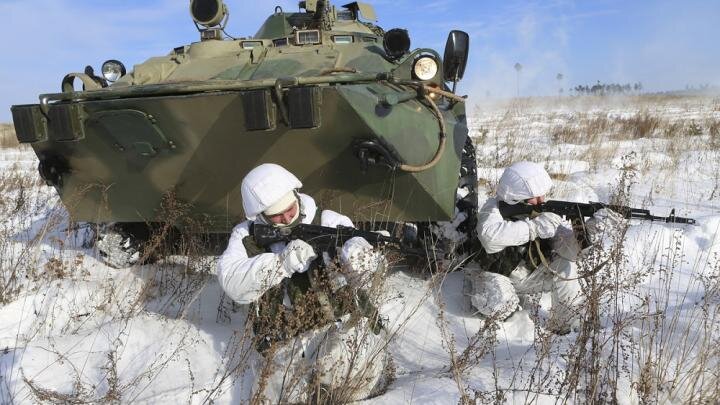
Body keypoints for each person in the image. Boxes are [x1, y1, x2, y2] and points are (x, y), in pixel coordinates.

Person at [217, 163, 390, 403]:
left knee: (351, 376)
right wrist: (282, 262)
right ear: (261, 216)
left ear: (297, 197)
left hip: (336, 325)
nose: (288, 217)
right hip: (282, 337)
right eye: (277, 215)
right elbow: (233, 283)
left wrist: (361, 260)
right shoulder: (246, 236)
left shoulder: (328, 221)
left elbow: (364, 266)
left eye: (290, 209)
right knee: (276, 395)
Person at [464, 161, 584, 334]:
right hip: (495, 276)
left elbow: (567, 250)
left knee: (566, 267)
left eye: (542, 195)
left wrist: (586, 235)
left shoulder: (539, 209)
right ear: (516, 196)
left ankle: (564, 328)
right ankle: (516, 332)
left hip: (529, 276)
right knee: (499, 303)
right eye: (534, 197)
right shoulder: (492, 211)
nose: (541, 201)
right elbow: (490, 237)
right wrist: (534, 228)